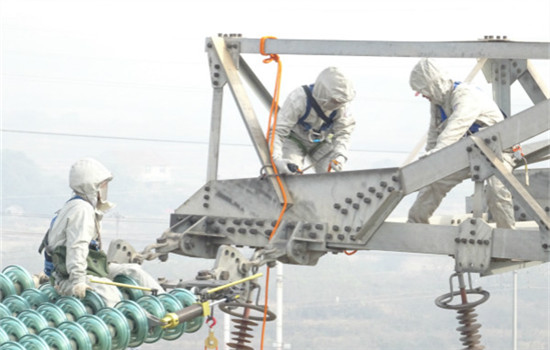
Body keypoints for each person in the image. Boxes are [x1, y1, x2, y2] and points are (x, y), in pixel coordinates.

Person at [406, 58, 515, 228]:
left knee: (497, 192)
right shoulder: (438, 104)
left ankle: (508, 238)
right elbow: (434, 135)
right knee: (435, 183)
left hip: (497, 152)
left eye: (424, 90)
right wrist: (428, 165)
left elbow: (457, 125)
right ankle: (415, 226)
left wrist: (436, 153)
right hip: (467, 152)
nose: (423, 95)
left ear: (434, 84)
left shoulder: (465, 95)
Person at [41, 157, 164, 307]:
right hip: (69, 278)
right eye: (102, 186)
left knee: (134, 271)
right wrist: (78, 281)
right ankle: (127, 320)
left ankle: (164, 304)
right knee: (109, 292)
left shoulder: (82, 207)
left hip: (91, 268)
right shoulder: (81, 210)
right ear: (92, 187)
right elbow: (77, 247)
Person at [272, 66, 356, 174]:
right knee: (290, 173)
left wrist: (340, 155)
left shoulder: (342, 105)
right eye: (335, 101)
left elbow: (343, 133)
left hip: (321, 141)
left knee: (332, 175)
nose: (337, 105)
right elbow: (278, 131)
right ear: (324, 93)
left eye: (340, 102)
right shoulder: (299, 98)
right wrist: (277, 159)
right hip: (294, 140)